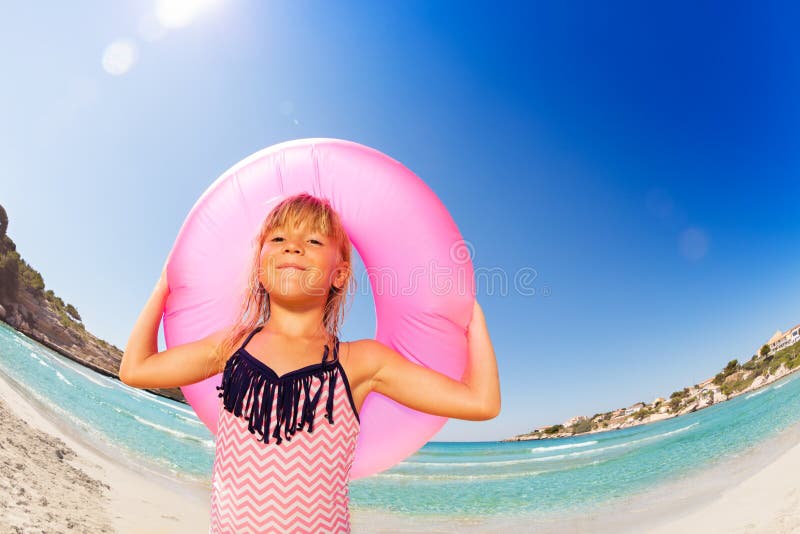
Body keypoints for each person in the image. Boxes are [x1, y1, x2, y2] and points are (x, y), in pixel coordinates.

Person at [119, 193, 501, 533]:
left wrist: (472, 313)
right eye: (279, 239)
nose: (293, 248)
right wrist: (163, 284)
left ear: (339, 275)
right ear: (259, 266)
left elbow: (480, 402)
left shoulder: (359, 362)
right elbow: (136, 370)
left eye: (313, 241)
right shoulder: (233, 345)